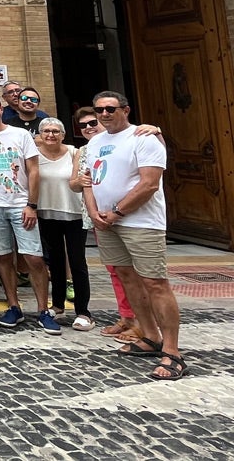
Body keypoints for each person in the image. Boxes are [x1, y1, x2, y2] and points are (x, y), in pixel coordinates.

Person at [83, 90, 184, 380]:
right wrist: (94, 213)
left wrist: (116, 212)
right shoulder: (96, 142)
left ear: (125, 110)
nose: (104, 114)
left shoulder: (144, 138)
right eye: (99, 109)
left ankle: (173, 351)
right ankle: (150, 336)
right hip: (107, 222)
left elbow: (150, 183)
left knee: (154, 282)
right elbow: (88, 180)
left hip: (141, 221)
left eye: (110, 109)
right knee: (126, 277)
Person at [0, 91, 56, 333]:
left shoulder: (20, 135)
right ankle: (13, 305)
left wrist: (32, 204)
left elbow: (34, 171)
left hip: (19, 203)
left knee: (33, 257)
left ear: (0, 108)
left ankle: (42, 309)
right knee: (3, 257)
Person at [75, 106, 136, 340]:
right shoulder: (88, 149)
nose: (90, 127)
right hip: (99, 216)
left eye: (93, 122)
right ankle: (127, 317)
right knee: (115, 270)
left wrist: (156, 129)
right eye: (84, 125)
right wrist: (92, 211)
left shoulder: (133, 137)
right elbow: (80, 183)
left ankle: (143, 323)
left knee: (137, 272)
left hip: (129, 215)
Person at [36, 117, 93, 331]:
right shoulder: (34, 155)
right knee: (56, 261)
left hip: (74, 213)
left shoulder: (73, 152)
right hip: (46, 212)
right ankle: (57, 305)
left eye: (55, 131)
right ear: (40, 135)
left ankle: (83, 311)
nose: (51, 135)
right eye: (46, 131)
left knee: (77, 262)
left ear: (63, 134)